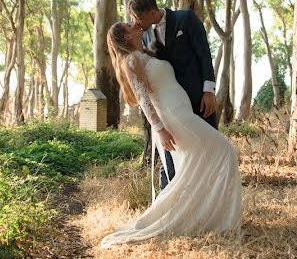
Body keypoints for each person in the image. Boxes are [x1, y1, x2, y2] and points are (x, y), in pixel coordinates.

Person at [100, 21, 242, 247]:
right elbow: (144, 100)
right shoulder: (131, 60)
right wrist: (160, 130)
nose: (135, 24)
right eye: (129, 25)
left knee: (195, 167)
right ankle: (219, 219)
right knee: (225, 151)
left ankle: (206, 217)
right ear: (126, 37)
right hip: (174, 117)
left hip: (182, 112)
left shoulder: (144, 53)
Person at [128, 0, 217, 188]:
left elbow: (204, 53)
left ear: (150, 12)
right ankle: (168, 201)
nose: (136, 23)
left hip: (198, 98)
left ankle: (209, 199)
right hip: (170, 107)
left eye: (137, 17)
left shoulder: (186, 19)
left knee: (208, 150)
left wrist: (209, 91)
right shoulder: (144, 35)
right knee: (172, 155)